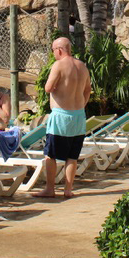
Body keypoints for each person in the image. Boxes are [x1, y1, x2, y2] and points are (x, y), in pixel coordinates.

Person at [34, 36, 91, 199]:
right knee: (72, 155)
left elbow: (48, 88)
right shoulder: (82, 66)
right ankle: (68, 189)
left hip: (61, 116)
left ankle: (50, 189)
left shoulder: (58, 65)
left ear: (59, 50)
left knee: (50, 154)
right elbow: (88, 89)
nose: (53, 54)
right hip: (78, 115)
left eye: (53, 50)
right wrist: (82, 104)